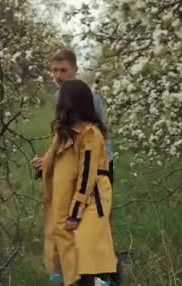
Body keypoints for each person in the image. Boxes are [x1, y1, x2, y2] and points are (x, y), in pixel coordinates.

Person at [40, 79, 117, 286]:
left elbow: (87, 175)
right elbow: (61, 164)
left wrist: (75, 213)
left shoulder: (90, 133)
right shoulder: (63, 133)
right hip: (68, 198)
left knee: (83, 253)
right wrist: (42, 165)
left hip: (90, 199)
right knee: (70, 254)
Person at [33, 49, 114, 181]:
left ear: (75, 69)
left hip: (97, 162)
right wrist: (48, 159)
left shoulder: (89, 95)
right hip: (73, 161)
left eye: (63, 70)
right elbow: (64, 132)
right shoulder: (58, 96)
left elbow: (99, 131)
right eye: (55, 70)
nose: (58, 75)